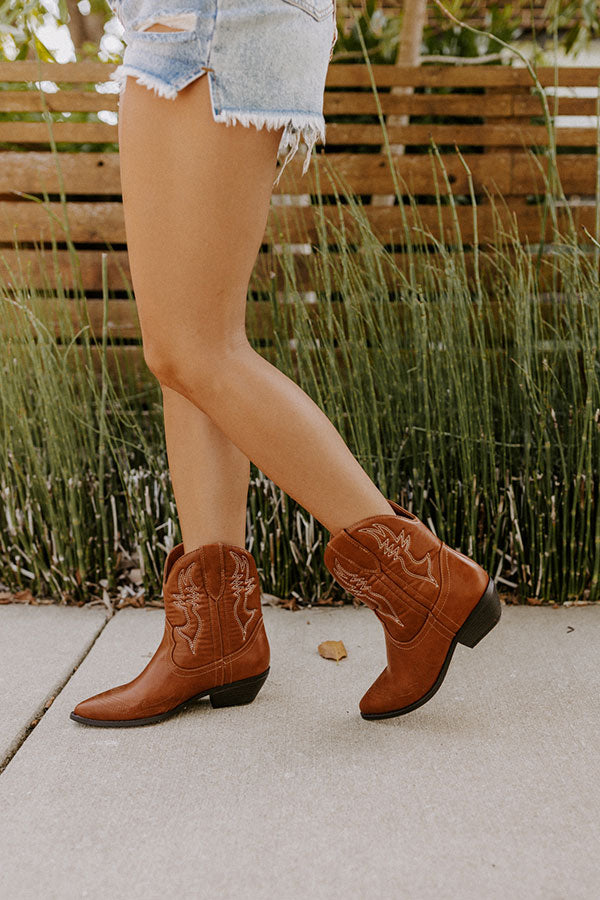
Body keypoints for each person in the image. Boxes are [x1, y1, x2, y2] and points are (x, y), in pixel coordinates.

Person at [70, 0, 501, 728]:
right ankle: (216, 638)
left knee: (196, 347)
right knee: (184, 346)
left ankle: (425, 587)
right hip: (178, 24)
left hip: (213, 21)